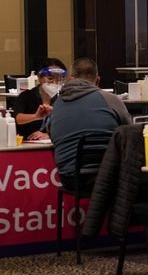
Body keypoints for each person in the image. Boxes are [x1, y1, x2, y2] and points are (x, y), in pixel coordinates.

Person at [45, 57, 132, 190]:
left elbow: (53, 136)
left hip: (70, 178)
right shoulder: (111, 100)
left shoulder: (56, 106)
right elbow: (130, 133)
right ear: (97, 80)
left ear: (70, 79)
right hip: (110, 175)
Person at [13, 58, 67, 140]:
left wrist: (49, 135)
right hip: (26, 142)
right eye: (50, 78)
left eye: (59, 79)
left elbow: (68, 123)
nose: (55, 83)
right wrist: (36, 116)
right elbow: (18, 118)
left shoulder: (63, 98)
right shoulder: (26, 96)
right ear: (39, 77)